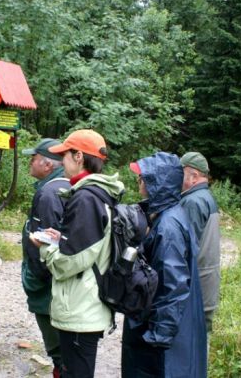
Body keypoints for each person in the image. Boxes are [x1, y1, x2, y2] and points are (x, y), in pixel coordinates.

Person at [30, 129, 124, 378]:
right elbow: (90, 245)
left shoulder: (86, 198)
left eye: (66, 155)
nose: (62, 161)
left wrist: (46, 247)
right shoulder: (99, 194)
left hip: (80, 309)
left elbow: (69, 262)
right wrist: (61, 239)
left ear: (79, 156)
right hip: (85, 305)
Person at [123, 152, 207, 378]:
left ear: (157, 182)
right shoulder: (165, 215)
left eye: (144, 178)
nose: (139, 182)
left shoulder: (168, 226)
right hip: (156, 328)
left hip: (162, 341)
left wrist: (157, 337)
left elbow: (173, 286)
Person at [21, 138, 70, 378]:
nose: (30, 162)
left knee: (57, 343)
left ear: (47, 164)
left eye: (33, 158)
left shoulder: (50, 193)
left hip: (48, 285)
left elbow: (47, 242)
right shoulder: (64, 185)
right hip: (57, 282)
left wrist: (35, 278)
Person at [179, 151, 221, 334]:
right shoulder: (206, 197)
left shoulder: (192, 202)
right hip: (206, 287)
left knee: (191, 350)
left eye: (180, 173)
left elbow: (183, 250)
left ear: (194, 176)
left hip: (195, 291)